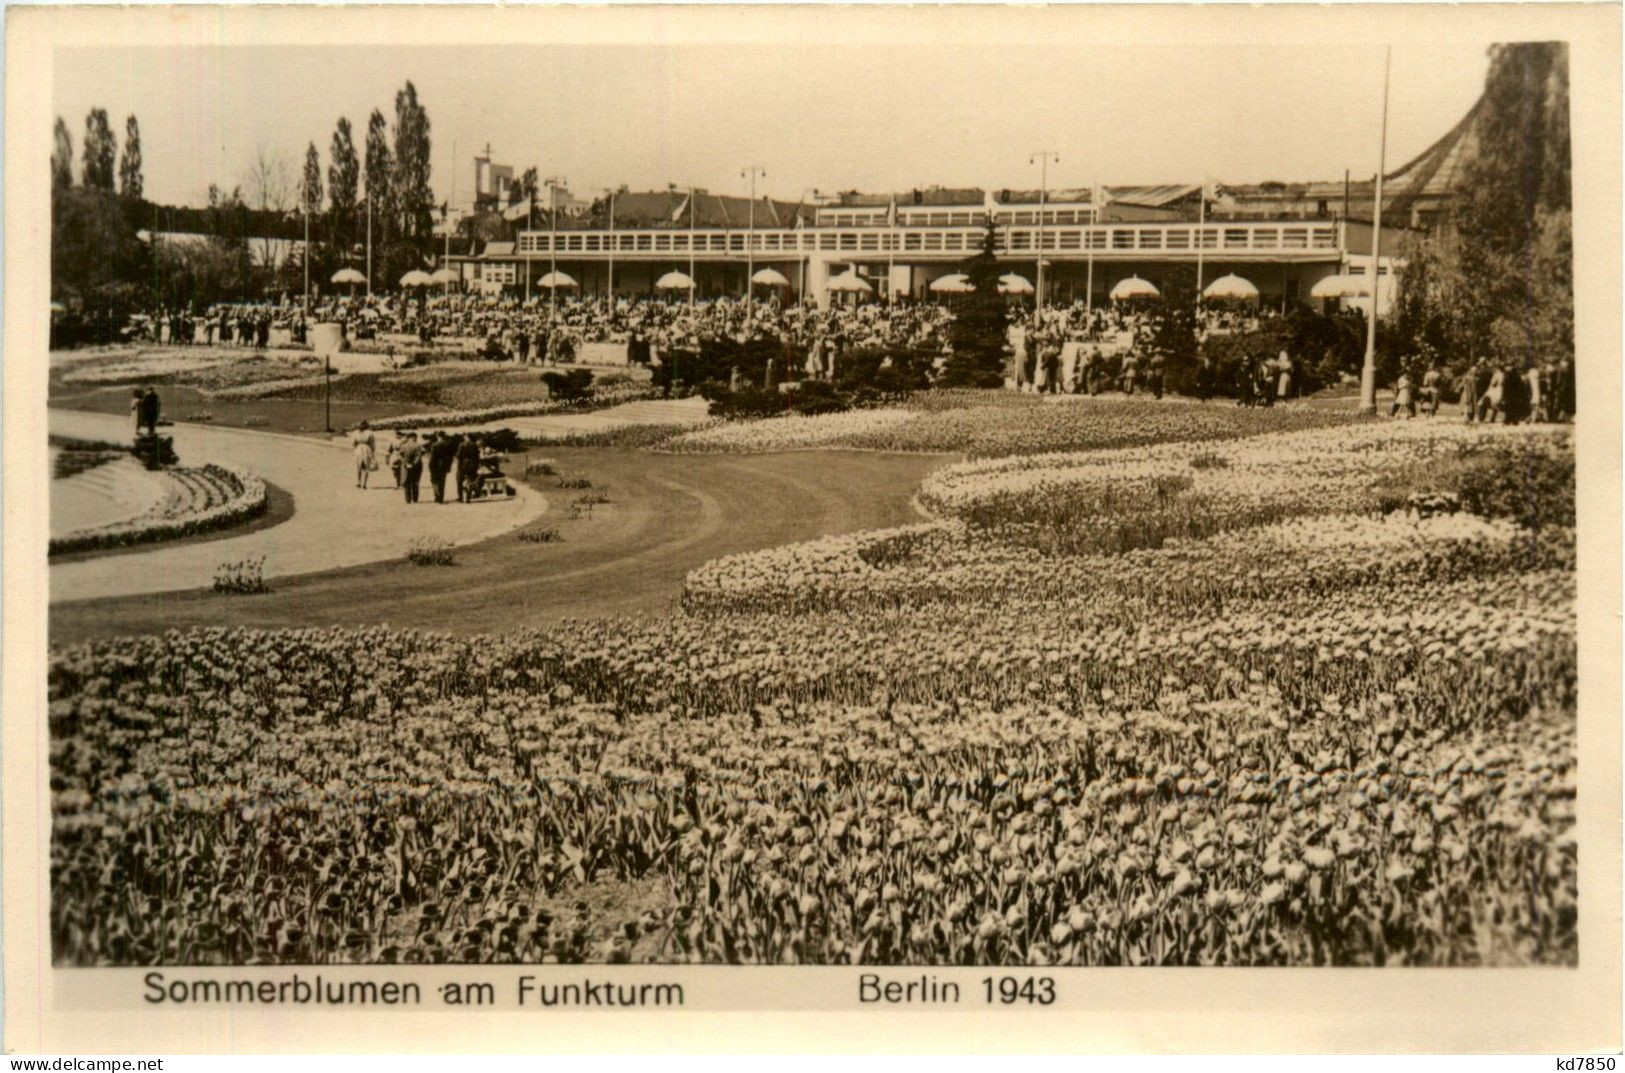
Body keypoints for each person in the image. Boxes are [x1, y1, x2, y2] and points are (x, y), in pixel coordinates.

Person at [427, 431, 458, 504]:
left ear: (438, 436)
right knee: (442, 482)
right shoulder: (449, 445)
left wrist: (430, 466)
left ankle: (436, 496)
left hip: (435, 466)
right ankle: (441, 498)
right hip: (444, 466)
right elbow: (451, 456)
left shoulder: (435, 445)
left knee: (434, 481)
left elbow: (432, 457)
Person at [398, 432, 424, 504]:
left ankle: (408, 499)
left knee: (406, 482)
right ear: (414, 437)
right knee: (415, 482)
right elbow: (418, 457)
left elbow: (400, 455)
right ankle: (415, 499)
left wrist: (405, 463)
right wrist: (413, 464)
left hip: (405, 466)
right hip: (416, 467)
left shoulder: (403, 446)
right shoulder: (417, 446)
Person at [456, 434, 482, 502]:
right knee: (470, 480)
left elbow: (459, 456)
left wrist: (458, 465)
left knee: (460, 480)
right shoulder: (475, 445)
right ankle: (468, 496)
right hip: (472, 464)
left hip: (463, 464)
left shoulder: (462, 444)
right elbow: (477, 456)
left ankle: (460, 497)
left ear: (466, 437)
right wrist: (476, 465)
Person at [351, 420, 376, 489]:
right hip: (359, 449)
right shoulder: (355, 433)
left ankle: (364, 483)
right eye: (360, 425)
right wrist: (354, 450)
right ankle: (358, 482)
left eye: (362, 425)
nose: (360, 426)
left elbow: (372, 443)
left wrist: (372, 452)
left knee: (366, 466)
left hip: (367, 449)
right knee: (358, 466)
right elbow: (353, 443)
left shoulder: (369, 433)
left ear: (365, 425)